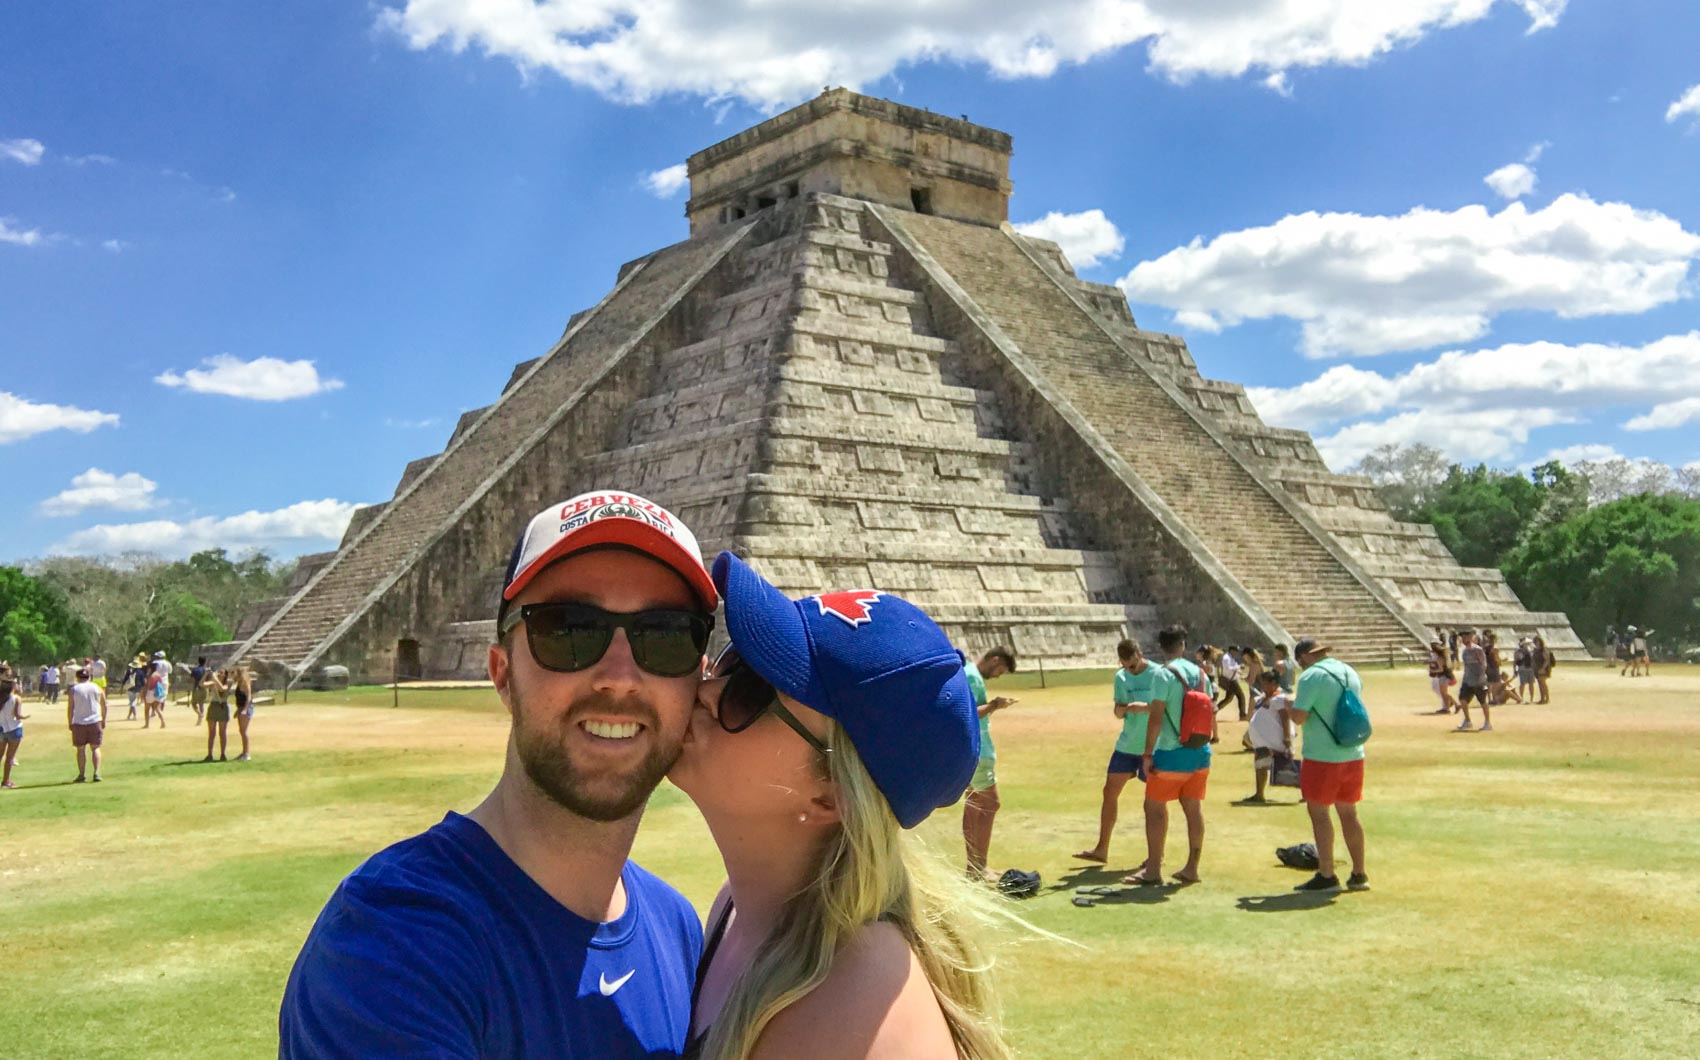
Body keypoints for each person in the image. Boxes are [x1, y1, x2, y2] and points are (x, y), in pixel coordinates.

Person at [281, 491, 716, 1057]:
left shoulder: (675, 927)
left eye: (665, 635)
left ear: (698, 683)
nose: (619, 677)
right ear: (503, 674)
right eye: (567, 629)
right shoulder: (392, 944)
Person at [674, 552, 1011, 1059]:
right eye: (733, 659)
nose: (703, 689)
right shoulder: (741, 907)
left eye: (749, 691)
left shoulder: (852, 1008)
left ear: (833, 794)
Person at [1126, 624, 1213, 886]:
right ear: (1183, 645)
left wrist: (1147, 753)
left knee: (1154, 807)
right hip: (1199, 751)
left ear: (1162, 647)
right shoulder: (1201, 674)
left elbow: (1156, 717)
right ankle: (1192, 867)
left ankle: (1153, 869)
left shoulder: (1163, 675)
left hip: (1171, 751)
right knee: (1193, 808)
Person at [1073, 638, 1168, 869]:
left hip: (1154, 746)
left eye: (1132, 665)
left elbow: (1165, 709)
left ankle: (1156, 856)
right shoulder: (1121, 677)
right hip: (1127, 745)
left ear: (1140, 654)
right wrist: (1125, 709)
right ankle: (1101, 848)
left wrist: (1144, 708)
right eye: (1125, 665)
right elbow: (1118, 711)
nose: (1129, 669)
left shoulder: (1159, 674)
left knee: (1154, 802)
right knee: (1109, 792)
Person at [1288, 638, 1369, 892]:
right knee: (1349, 813)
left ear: (1303, 658)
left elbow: (1300, 717)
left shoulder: (1312, 677)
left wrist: (1287, 706)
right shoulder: (1349, 671)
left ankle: (1327, 873)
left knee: (1320, 814)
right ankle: (1359, 873)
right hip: (1352, 752)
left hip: (1322, 755)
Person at [961, 646, 1017, 882]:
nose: (997, 676)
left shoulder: (967, 672)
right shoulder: (972, 676)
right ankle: (979, 866)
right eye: (999, 670)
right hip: (979, 751)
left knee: (974, 805)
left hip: (972, 749)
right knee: (990, 805)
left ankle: (973, 866)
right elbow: (971, 712)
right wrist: (995, 705)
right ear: (994, 660)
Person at [1240, 669, 1292, 804]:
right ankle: (1259, 793)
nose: (1262, 687)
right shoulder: (1263, 698)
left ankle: (1306, 793)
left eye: (1265, 684)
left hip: (1274, 741)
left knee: (1287, 767)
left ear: (1274, 684)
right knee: (1260, 766)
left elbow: (1285, 718)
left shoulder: (1279, 698)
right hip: (1262, 741)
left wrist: (1287, 738)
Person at [67, 667, 106, 783]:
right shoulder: (97, 688)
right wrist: (103, 719)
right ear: (89, 677)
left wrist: (70, 722)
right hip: (95, 720)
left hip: (79, 722)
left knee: (80, 749)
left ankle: (82, 774)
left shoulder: (74, 689)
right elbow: (104, 704)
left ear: (77, 678)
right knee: (95, 748)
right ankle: (96, 773)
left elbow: (71, 707)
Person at [1455, 630, 1492, 732]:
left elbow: (1483, 664)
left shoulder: (1477, 650)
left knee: (1483, 701)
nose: (1463, 640)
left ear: (1470, 637)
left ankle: (1487, 722)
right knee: (1462, 699)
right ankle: (1467, 721)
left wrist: (1481, 676)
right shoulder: (1464, 651)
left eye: (1465, 637)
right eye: (1462, 638)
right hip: (1468, 679)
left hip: (1478, 680)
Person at [1, 678, 27, 788]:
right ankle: (6, 781)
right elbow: (17, 715)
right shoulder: (16, 699)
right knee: (10, 757)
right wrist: (25, 717)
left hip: (1, 728)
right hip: (14, 729)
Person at [202, 669, 231, 762]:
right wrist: (206, 674)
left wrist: (214, 677)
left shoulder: (228, 683)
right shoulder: (213, 682)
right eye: (219, 672)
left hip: (223, 706)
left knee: (222, 732)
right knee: (211, 733)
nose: (219, 674)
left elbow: (222, 688)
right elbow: (201, 684)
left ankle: (223, 754)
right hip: (214, 705)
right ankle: (209, 754)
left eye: (221, 673)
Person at [1215, 645, 1247, 721]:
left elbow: (1233, 668)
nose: (1236, 653)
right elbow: (1228, 668)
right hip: (1231, 681)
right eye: (1235, 651)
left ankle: (1214, 710)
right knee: (1241, 696)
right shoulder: (1226, 658)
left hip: (1232, 680)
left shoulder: (1231, 658)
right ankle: (1242, 715)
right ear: (1231, 650)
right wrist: (1238, 668)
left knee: (1228, 699)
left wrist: (1239, 669)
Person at [231, 665, 255, 760]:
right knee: (241, 731)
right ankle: (244, 752)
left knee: (243, 731)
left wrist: (245, 709)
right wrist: (238, 710)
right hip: (240, 707)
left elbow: (248, 697)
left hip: (246, 707)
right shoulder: (239, 683)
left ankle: (247, 753)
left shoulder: (245, 683)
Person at [1426, 640, 1456, 714]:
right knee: (1443, 693)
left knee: (1444, 693)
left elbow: (1440, 669)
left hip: (1443, 676)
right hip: (1444, 676)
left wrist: (1433, 671)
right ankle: (1447, 707)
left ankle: (1455, 704)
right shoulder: (1442, 655)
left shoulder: (1440, 657)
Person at [144, 655, 169, 729]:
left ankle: (147, 724)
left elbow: (148, 685)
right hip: (157, 692)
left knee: (147, 709)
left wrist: (144, 693)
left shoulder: (150, 675)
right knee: (158, 708)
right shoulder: (158, 675)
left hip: (150, 692)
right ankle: (163, 722)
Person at [1533, 635, 1554, 704]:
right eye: (1535, 641)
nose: (1536, 642)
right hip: (1537, 668)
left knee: (1543, 683)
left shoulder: (1544, 649)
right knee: (1540, 684)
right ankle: (1542, 698)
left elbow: (1547, 660)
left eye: (1537, 641)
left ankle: (1547, 698)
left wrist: (1543, 668)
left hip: (1544, 668)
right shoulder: (1535, 650)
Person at [1513, 639, 1536, 703]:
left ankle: (1531, 698)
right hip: (1522, 668)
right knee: (1522, 684)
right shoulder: (1518, 651)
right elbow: (1515, 661)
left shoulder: (1531, 650)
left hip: (1530, 668)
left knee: (1531, 684)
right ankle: (1521, 697)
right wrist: (1515, 670)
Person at [189, 656, 209, 726]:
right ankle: (200, 718)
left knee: (194, 703)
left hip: (197, 688)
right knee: (201, 703)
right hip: (205, 687)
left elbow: (192, 680)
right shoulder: (207, 669)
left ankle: (199, 714)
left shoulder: (195, 670)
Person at [126, 655, 147, 720]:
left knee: (132, 702)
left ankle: (131, 716)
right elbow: (143, 682)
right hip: (137, 688)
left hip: (129, 688)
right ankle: (132, 716)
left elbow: (125, 680)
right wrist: (143, 688)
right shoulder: (141, 673)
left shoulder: (129, 672)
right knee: (133, 702)